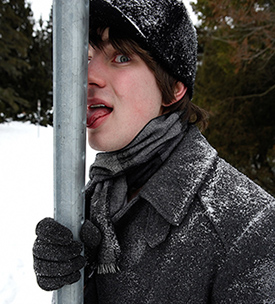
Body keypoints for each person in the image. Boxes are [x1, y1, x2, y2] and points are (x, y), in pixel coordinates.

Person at [33, 0, 275, 303]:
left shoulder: (247, 226)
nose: (86, 75)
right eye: (87, 56)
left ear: (174, 87)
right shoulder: (96, 198)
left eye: (120, 57)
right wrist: (75, 282)